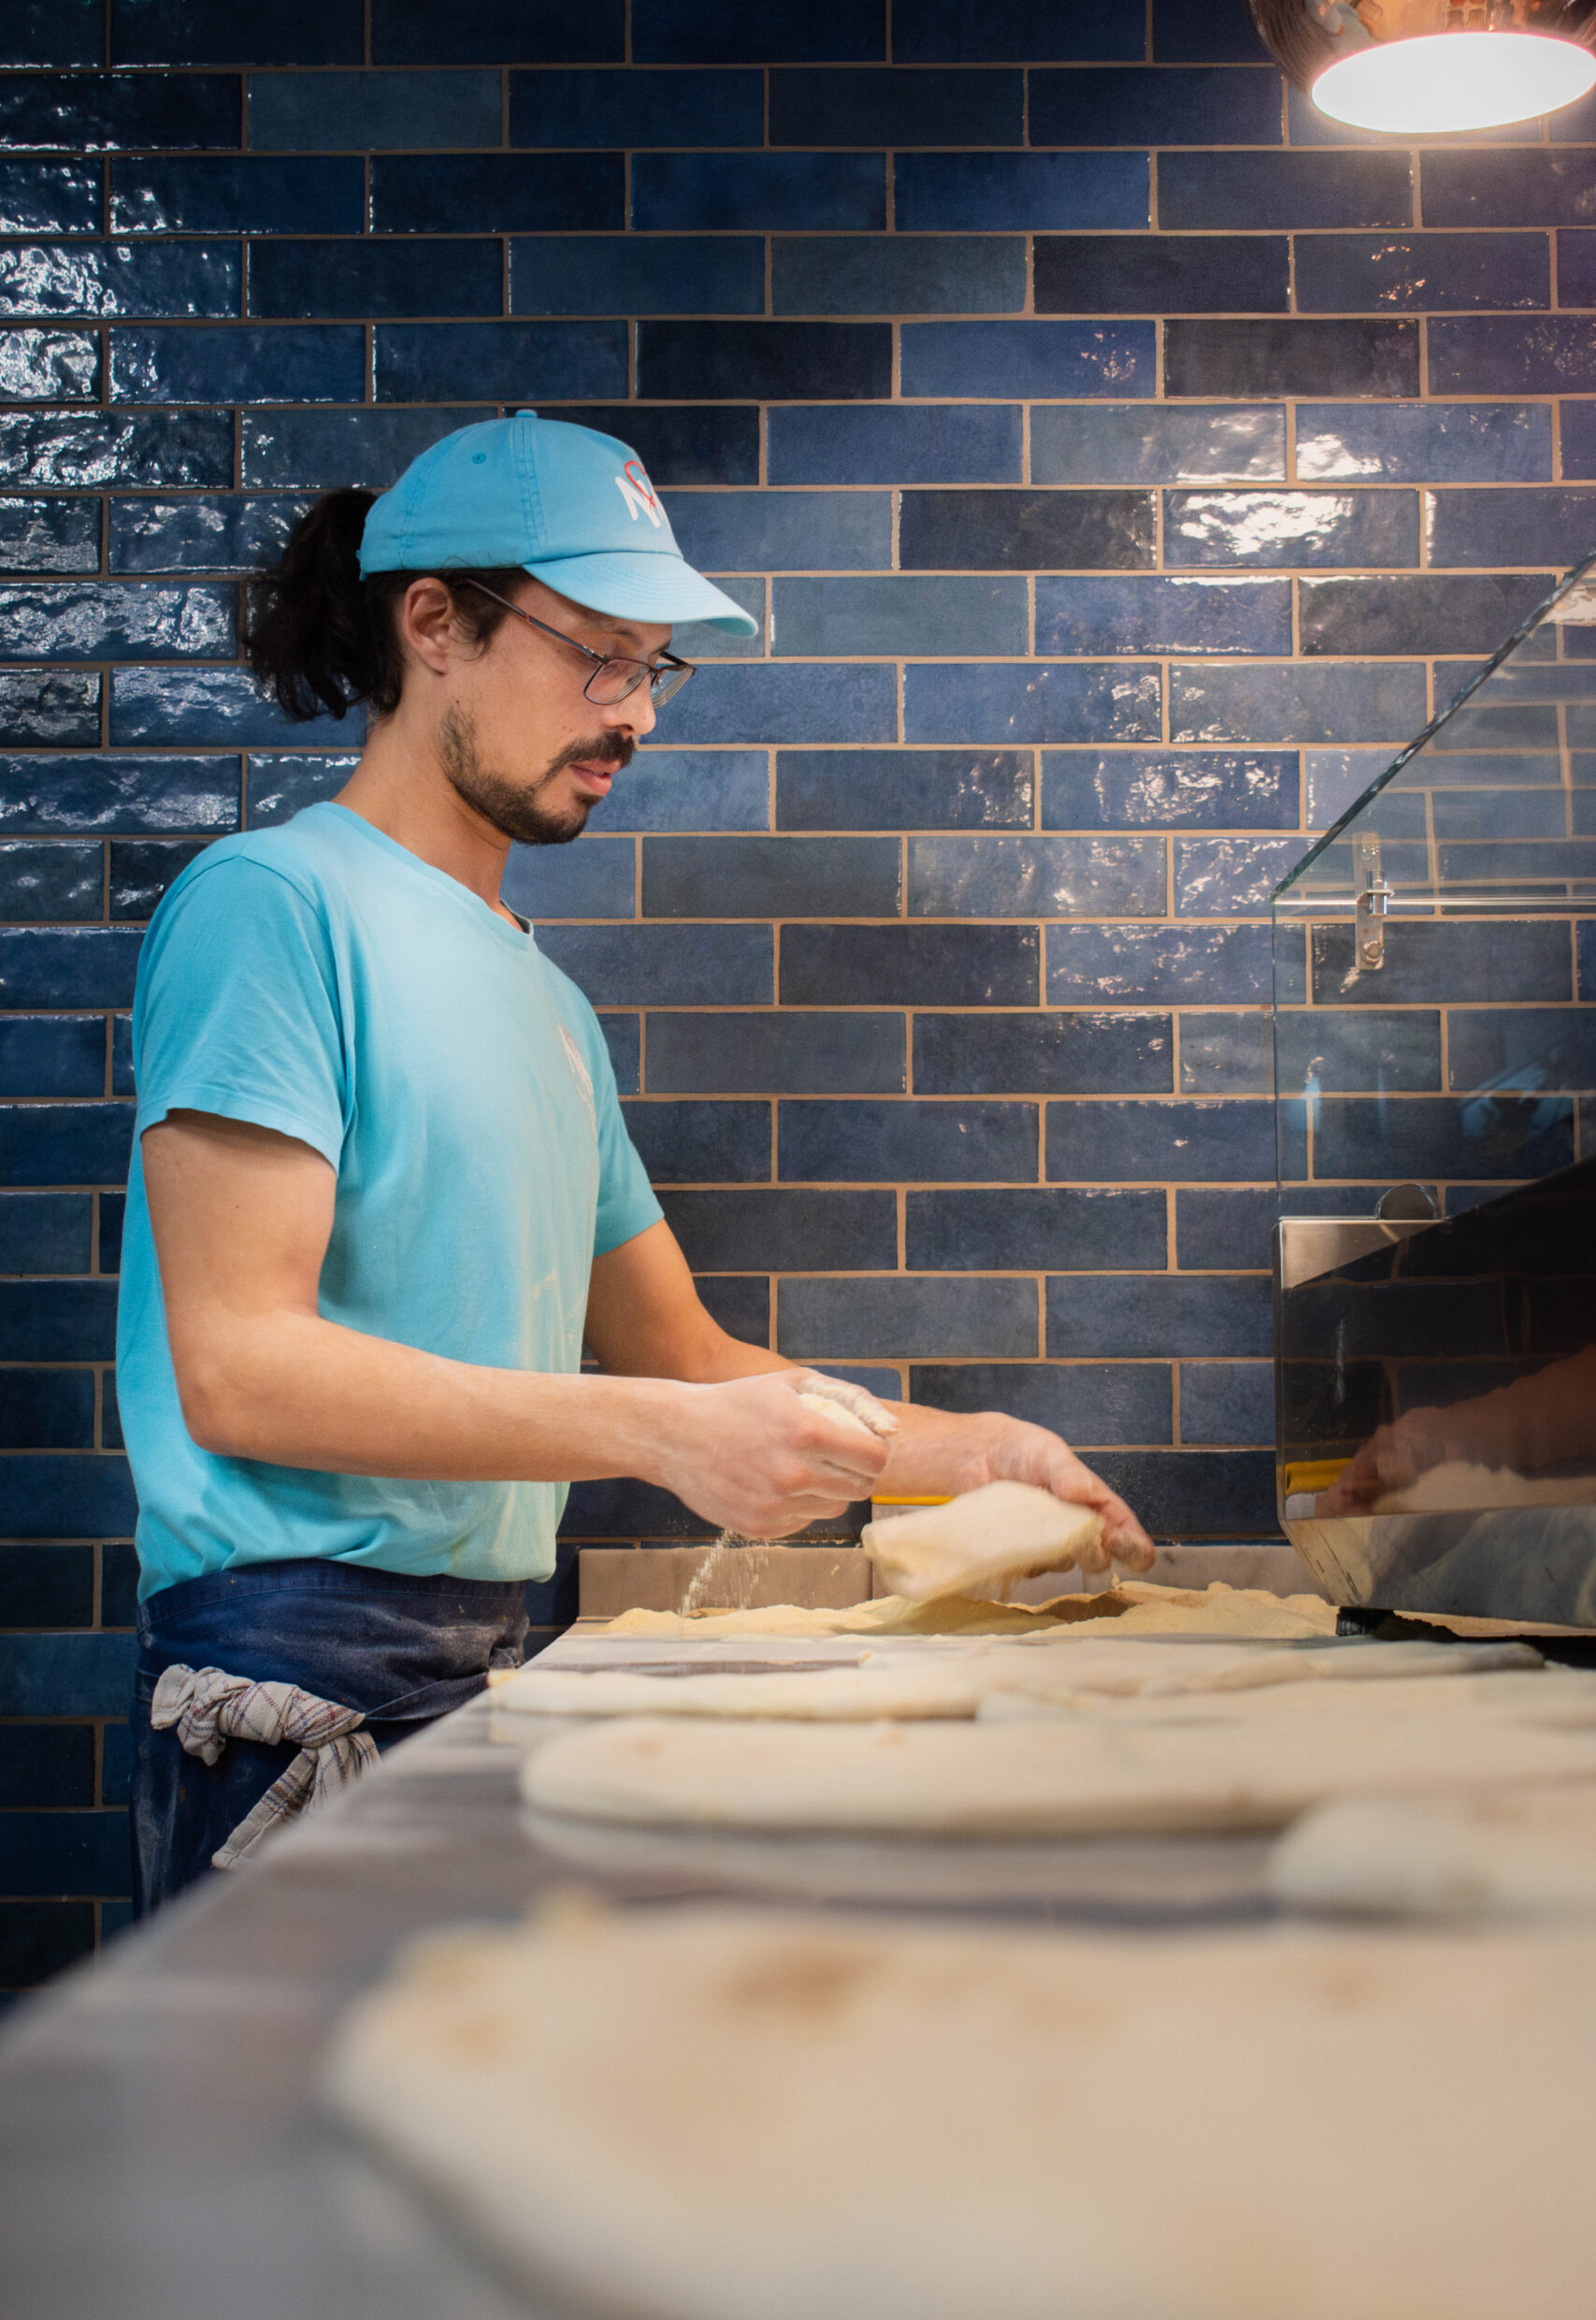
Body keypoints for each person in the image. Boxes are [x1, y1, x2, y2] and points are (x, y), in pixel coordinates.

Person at [117, 412, 1154, 1910]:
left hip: (487, 1655)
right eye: (599, 653)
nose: (637, 716)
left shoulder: (546, 1002)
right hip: (291, 1683)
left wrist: (969, 1454)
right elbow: (242, 1366)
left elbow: (691, 1355)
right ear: (435, 627)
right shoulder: (272, 908)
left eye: (652, 666)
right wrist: (655, 1434)